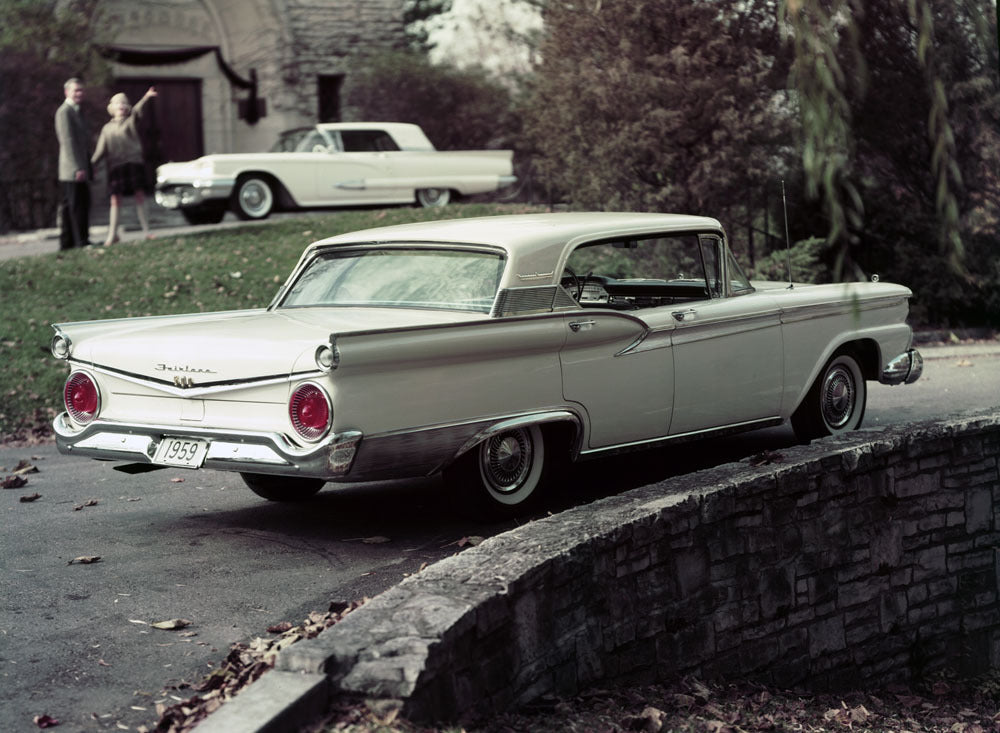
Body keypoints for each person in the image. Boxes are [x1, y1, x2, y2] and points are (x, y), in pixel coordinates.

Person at [91, 87, 157, 246]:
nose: (121, 105)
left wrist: (146, 97)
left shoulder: (131, 121)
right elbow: (100, 151)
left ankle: (147, 231)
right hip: (116, 167)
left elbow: (137, 110)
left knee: (140, 196)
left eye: (123, 103)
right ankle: (112, 235)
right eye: (117, 103)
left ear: (127, 107)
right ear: (111, 108)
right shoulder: (106, 129)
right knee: (115, 200)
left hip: (134, 164)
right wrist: (90, 166)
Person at [55, 78, 93, 249]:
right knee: (77, 205)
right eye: (76, 90)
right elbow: (67, 141)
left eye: (81, 90)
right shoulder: (64, 112)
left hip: (80, 165)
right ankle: (81, 241)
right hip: (72, 168)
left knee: (74, 204)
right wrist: (77, 167)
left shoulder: (78, 111)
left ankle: (67, 243)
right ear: (67, 92)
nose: (79, 93)